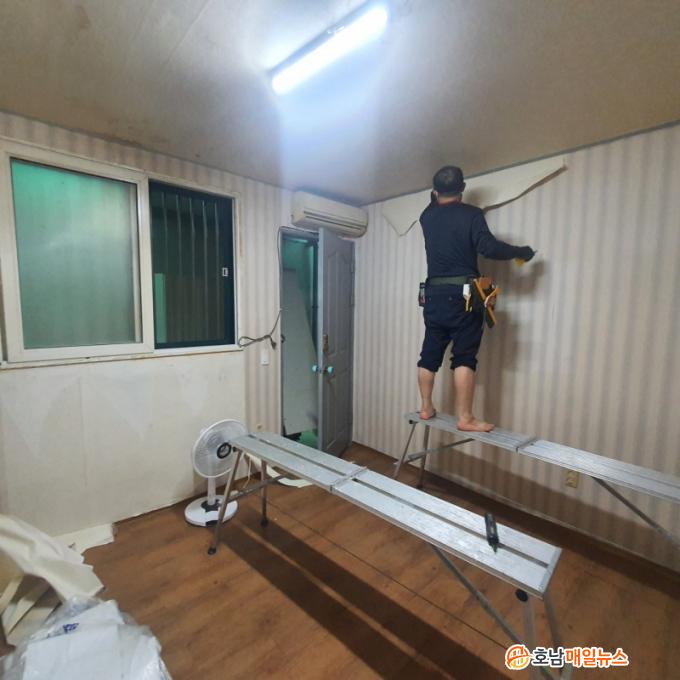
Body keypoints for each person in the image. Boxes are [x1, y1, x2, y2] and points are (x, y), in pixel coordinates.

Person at [417, 165, 535, 432]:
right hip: (463, 295)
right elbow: (488, 248)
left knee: (429, 354)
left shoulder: (427, 216)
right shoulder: (471, 214)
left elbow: (432, 202)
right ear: (462, 189)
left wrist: (435, 195)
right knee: (464, 357)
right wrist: (521, 252)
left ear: (435, 192)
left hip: (433, 294)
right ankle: (465, 418)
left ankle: (425, 407)